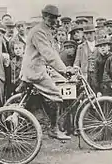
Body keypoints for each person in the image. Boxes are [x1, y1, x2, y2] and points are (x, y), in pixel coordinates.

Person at [17, 4, 72, 140]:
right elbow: (48, 54)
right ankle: (54, 129)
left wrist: (65, 69)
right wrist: (64, 70)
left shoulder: (46, 31)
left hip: (39, 67)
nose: (54, 20)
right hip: (35, 70)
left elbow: (53, 53)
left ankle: (29, 124)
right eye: (51, 17)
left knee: (56, 86)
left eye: (55, 18)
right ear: (44, 17)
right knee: (57, 95)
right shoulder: (38, 32)